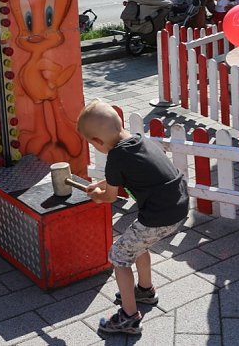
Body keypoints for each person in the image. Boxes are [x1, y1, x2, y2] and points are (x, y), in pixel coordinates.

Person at [77, 100, 188, 336]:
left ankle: (129, 318)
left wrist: (97, 195)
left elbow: (109, 197)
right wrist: (102, 184)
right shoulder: (138, 140)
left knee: (119, 256)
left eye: (91, 143)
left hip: (159, 215)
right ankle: (145, 291)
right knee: (138, 244)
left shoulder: (116, 157)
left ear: (97, 141)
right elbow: (125, 176)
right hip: (177, 207)